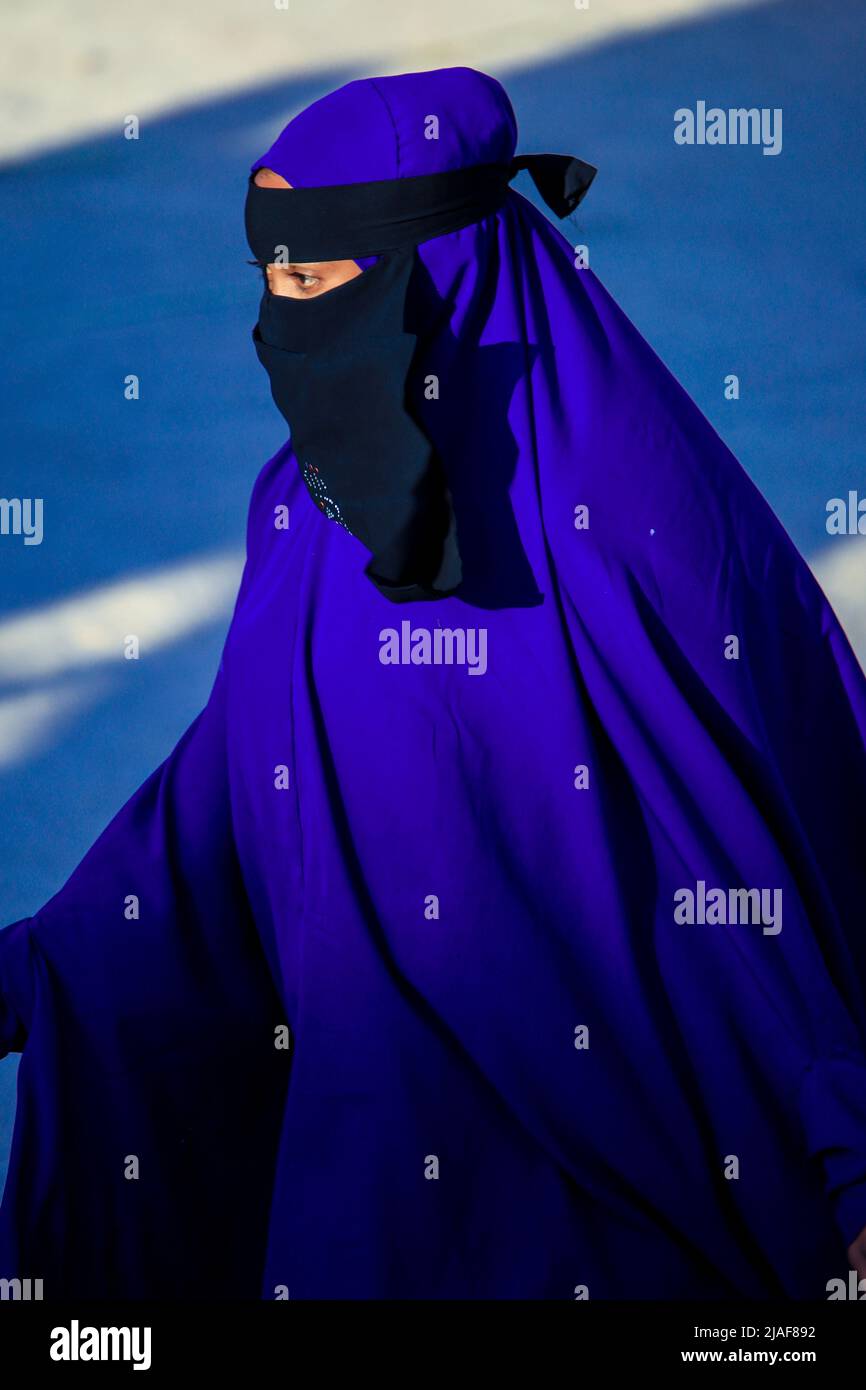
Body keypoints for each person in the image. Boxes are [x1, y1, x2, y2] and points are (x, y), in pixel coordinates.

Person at [2, 65, 866, 1301]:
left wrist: (846, 1154)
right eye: (268, 277)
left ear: (429, 269)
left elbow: (741, 854)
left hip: (611, 1196)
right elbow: (232, 788)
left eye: (312, 276)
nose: (279, 318)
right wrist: (48, 963)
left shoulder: (620, 515)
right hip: (364, 1184)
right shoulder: (309, 508)